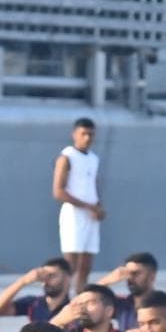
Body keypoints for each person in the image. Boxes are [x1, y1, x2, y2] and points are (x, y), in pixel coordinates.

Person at [51, 116, 106, 294]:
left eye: (91, 134)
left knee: (86, 263)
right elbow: (58, 191)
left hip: (90, 215)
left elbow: (93, 188)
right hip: (74, 214)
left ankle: (81, 297)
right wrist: (88, 206)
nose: (87, 138)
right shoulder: (67, 157)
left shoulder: (93, 159)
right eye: (83, 134)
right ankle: (63, 297)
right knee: (71, 263)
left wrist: (98, 206)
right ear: (75, 134)